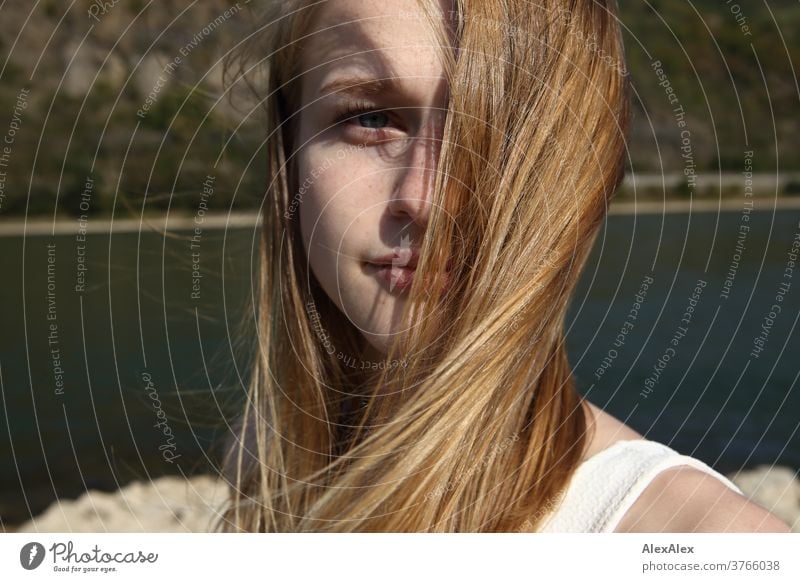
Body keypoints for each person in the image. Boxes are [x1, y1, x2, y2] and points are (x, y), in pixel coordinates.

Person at [216, 0, 791, 533]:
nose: (428, 199)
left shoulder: (705, 541)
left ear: (586, 179)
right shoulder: (268, 455)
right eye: (370, 118)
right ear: (288, 151)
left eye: (501, 132)